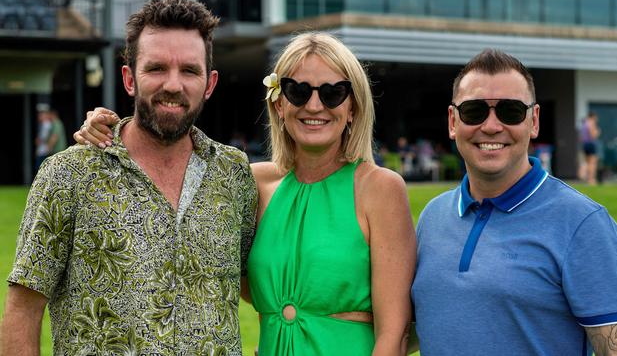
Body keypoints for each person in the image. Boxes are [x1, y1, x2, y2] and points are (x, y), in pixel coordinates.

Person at [73, 32, 417, 355]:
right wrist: (110, 129)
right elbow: (165, 160)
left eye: (332, 93)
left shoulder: (380, 188)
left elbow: (394, 333)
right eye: (298, 91)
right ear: (279, 104)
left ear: (353, 107)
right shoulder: (249, 182)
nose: (314, 106)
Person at [1, 0, 257, 355]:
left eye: (189, 70)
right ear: (129, 78)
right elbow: (23, 309)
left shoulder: (234, 174)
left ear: (210, 83)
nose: (173, 84)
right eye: (156, 68)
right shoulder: (70, 174)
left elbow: (257, 287)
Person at [411, 49, 617, 355]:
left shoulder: (583, 224)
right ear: (453, 121)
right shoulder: (432, 218)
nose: (491, 126)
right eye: (474, 111)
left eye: (511, 111)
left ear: (533, 121)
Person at [34, 106, 67, 171]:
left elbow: (54, 137)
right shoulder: (54, 123)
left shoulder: (56, 123)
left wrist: (48, 148)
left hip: (57, 150)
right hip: (56, 150)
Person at [580, 111, 601, 185]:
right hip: (591, 144)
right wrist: (598, 132)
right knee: (592, 163)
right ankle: (591, 179)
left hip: (585, 144)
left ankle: (583, 176)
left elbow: (581, 136)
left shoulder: (584, 123)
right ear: (593, 116)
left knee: (586, 162)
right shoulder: (591, 123)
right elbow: (593, 135)